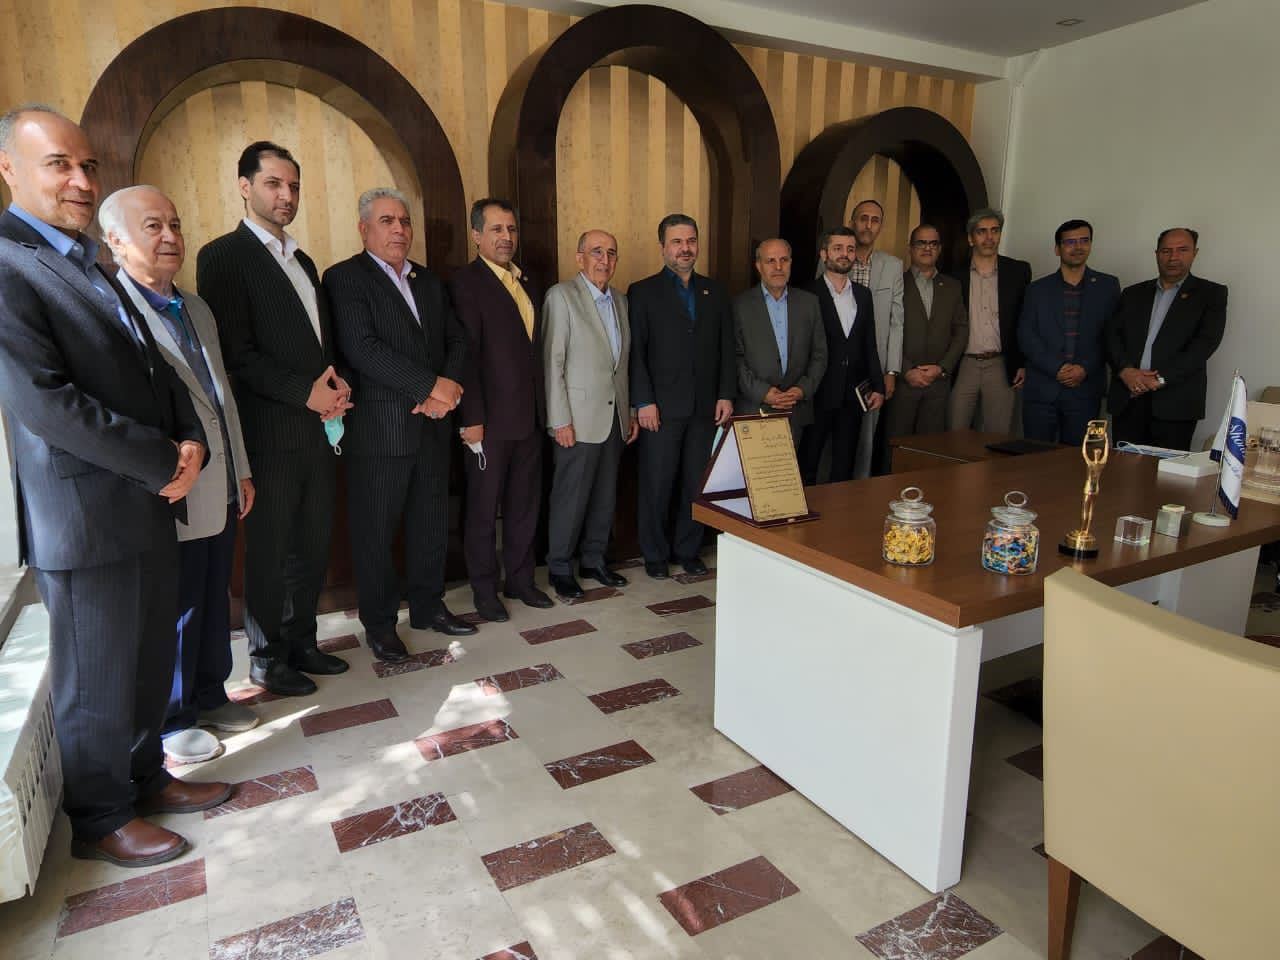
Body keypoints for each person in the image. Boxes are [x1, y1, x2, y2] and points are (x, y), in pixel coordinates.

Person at [0, 105, 229, 866]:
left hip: (145, 504)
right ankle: (101, 818)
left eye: (88, 165)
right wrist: (162, 459)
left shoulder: (89, 260)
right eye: (58, 164)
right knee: (96, 677)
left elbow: (151, 365)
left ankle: (144, 778)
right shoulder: (8, 264)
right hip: (85, 515)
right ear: (9, 170)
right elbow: (46, 403)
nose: (80, 179)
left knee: (143, 660)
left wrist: (188, 440)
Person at [101, 185, 260, 765]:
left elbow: (221, 398)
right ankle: (174, 717)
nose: (170, 236)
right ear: (115, 241)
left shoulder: (195, 307)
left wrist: (241, 468)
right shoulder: (113, 309)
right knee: (177, 602)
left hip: (220, 478)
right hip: (169, 484)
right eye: (153, 226)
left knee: (215, 592)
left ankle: (212, 692)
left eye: (174, 224)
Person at [197, 141, 353, 697]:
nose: (286, 195)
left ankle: (302, 642)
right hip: (268, 433)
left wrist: (334, 386)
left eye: (293, 186)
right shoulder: (223, 256)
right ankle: (265, 658)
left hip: (319, 431)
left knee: (312, 545)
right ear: (245, 187)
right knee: (269, 551)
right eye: (273, 184)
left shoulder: (303, 261)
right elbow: (235, 355)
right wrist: (304, 394)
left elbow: (318, 345)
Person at [324, 188, 472, 659]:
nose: (399, 229)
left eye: (404, 221)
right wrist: (430, 387)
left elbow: (457, 340)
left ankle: (428, 606)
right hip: (380, 431)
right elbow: (362, 348)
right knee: (375, 533)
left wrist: (445, 392)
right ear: (364, 228)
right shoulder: (344, 278)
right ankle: (381, 624)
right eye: (387, 221)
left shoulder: (428, 281)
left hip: (432, 425)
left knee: (431, 523)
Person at [449, 199, 553, 621]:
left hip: (529, 417)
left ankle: (522, 580)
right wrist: (471, 418)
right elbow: (466, 355)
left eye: (511, 229)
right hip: (488, 421)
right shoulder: (465, 283)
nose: (506, 237)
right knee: (482, 508)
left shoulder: (527, 281)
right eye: (496, 229)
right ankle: (484, 589)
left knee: (524, 504)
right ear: (476, 235)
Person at [628, 214, 735, 579]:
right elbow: (636, 353)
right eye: (677, 242)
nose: (685, 248)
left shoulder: (715, 292)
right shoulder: (642, 292)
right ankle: (655, 554)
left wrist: (726, 394)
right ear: (663, 247)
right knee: (657, 485)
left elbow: (726, 348)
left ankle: (688, 549)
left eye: (690, 241)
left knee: (695, 483)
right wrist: (643, 401)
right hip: (659, 408)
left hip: (705, 407)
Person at [542, 230, 637, 599]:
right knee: (571, 497)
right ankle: (559, 567)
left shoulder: (621, 300)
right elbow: (552, 362)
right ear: (579, 257)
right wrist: (559, 420)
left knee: (604, 496)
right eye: (596, 252)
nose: (604, 260)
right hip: (576, 420)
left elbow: (622, 365)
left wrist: (629, 411)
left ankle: (594, 560)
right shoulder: (561, 296)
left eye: (611, 253)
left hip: (614, 418)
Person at [1106, 228, 1228, 450]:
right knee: (1122, 467)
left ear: (1195, 253)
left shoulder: (1211, 294)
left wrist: (1159, 379)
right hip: (1128, 397)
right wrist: (1125, 371)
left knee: (1167, 471)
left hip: (1175, 403)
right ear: (1156, 254)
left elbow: (1204, 345)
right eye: (1166, 251)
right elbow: (1112, 337)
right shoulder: (1133, 293)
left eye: (1182, 250)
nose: (1173, 257)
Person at [1018, 220, 1121, 446]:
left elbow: (1112, 336)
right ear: (1057, 249)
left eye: (1084, 240)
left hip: (1086, 388)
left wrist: (1084, 368)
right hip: (1042, 388)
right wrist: (1057, 368)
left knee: (1080, 457)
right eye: (1070, 242)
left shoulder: (1108, 286)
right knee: (1034, 455)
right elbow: (1026, 335)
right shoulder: (1037, 289)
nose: (1078, 247)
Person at [799, 227, 883, 484]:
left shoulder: (863, 295)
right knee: (808, 463)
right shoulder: (807, 295)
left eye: (850, 249)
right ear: (824, 254)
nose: (844, 254)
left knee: (844, 467)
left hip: (853, 395)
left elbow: (869, 344)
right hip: (817, 393)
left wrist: (878, 386)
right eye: (837, 248)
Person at [831, 199, 903, 476]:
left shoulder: (893, 266)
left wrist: (891, 371)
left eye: (875, 220)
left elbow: (897, 321)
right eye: (863, 218)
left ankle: (859, 490)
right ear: (852, 221)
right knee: (831, 437)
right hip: (835, 365)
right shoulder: (834, 259)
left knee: (866, 438)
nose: (868, 225)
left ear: (880, 226)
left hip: (874, 365)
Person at [733, 238, 827, 446]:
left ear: (791, 263)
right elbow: (734, 359)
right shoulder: (739, 306)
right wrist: (763, 392)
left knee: (793, 468)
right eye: (771, 261)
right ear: (758, 266)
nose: (778, 267)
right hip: (754, 410)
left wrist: (802, 389)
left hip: (796, 410)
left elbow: (819, 354)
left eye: (784, 260)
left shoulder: (809, 303)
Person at [950, 208, 1032, 434]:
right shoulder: (954, 276)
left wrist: (1022, 363)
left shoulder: (1018, 271)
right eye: (982, 232)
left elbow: (1025, 320)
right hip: (964, 364)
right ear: (970, 238)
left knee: (998, 435)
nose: (989, 237)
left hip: (1001, 364)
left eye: (995, 231)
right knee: (954, 432)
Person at [885, 224, 968, 438]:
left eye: (933, 243)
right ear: (910, 248)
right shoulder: (896, 283)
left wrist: (942, 367)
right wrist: (905, 370)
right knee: (896, 445)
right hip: (903, 383)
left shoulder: (953, 286)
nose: (927, 248)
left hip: (938, 384)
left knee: (929, 448)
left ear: (939, 249)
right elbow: (885, 330)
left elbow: (961, 330)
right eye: (921, 243)